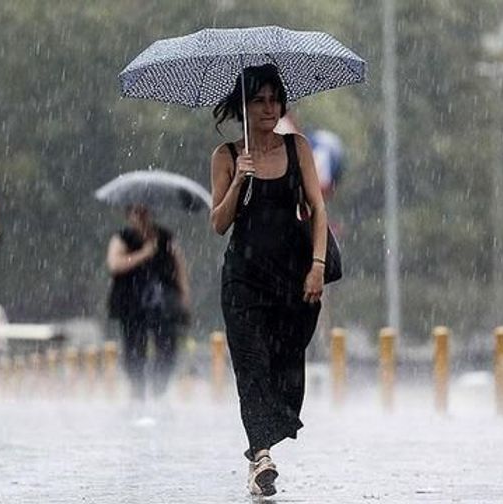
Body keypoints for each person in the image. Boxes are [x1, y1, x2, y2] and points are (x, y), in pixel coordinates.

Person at [209, 64, 327, 497]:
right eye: (259, 100)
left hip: (291, 278)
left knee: (285, 366)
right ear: (243, 107)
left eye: (275, 100)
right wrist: (239, 179)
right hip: (242, 280)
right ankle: (261, 457)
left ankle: (262, 441)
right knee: (251, 364)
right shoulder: (226, 156)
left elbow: (317, 208)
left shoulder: (297, 148)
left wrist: (317, 265)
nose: (269, 108)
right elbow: (218, 223)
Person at [106, 204, 191, 401]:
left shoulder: (165, 237)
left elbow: (179, 266)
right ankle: (137, 391)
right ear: (129, 215)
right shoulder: (122, 238)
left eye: (144, 211)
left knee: (167, 346)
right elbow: (114, 264)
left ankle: (159, 390)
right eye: (137, 212)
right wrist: (143, 254)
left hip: (163, 303)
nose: (141, 216)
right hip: (132, 303)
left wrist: (184, 294)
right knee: (134, 348)